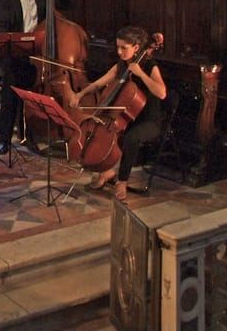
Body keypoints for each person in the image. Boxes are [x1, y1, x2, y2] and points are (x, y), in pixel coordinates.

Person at [69, 26, 167, 202]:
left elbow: (162, 93)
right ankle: (106, 171)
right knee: (109, 135)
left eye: (124, 48)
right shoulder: (121, 66)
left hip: (149, 121)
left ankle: (121, 181)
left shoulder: (150, 66)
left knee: (129, 137)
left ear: (136, 47)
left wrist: (141, 74)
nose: (119, 52)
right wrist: (80, 94)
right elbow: (99, 84)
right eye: (118, 47)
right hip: (126, 119)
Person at [0, 0, 72, 154]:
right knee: (10, 100)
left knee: (32, 101)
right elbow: (1, 29)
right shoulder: (6, 1)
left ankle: (31, 137)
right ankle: (4, 140)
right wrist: (16, 41)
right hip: (15, 58)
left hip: (39, 57)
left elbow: (70, 5)